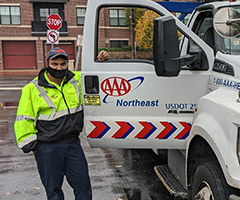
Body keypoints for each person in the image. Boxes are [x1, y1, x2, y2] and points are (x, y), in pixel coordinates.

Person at [14, 48, 108, 200]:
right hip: (47, 148)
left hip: (72, 145)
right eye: (55, 64)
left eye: (63, 64)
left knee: (83, 185)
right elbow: (24, 119)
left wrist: (100, 61)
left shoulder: (75, 80)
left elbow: (92, 74)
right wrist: (34, 147)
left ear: (67, 65)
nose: (59, 68)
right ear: (47, 64)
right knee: (53, 190)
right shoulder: (32, 88)